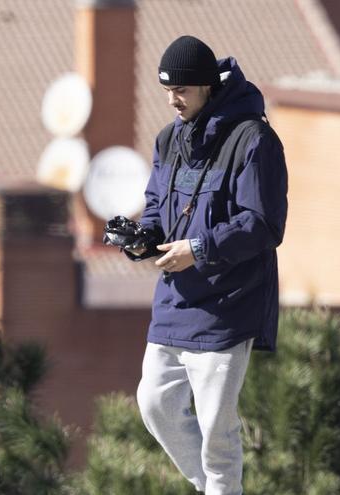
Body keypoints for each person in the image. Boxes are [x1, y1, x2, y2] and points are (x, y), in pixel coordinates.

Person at [103, 36, 288, 494]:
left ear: (207, 86)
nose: (173, 99)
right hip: (175, 300)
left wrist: (199, 249)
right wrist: (142, 239)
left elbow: (264, 225)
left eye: (182, 89)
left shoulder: (254, 139)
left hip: (229, 305)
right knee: (154, 405)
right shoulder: (169, 139)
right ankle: (215, 488)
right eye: (168, 90)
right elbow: (155, 207)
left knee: (216, 430)